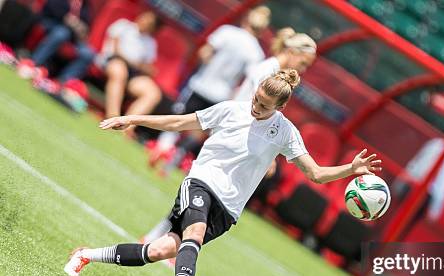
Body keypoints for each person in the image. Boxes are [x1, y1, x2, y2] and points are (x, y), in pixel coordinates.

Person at [64, 69, 382, 276]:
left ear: (281, 109)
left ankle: (86, 255)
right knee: (195, 234)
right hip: (201, 182)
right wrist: (133, 119)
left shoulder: (285, 132)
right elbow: (179, 122)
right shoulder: (230, 110)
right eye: (256, 98)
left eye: (264, 106)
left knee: (159, 250)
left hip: (228, 210)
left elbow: (315, 173)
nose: (256, 106)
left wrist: (351, 169)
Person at [141, 29, 318, 243]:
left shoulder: (272, 69)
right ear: (292, 51)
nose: (303, 69)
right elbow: (256, 111)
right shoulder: (268, 71)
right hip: (234, 139)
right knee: (202, 196)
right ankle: (166, 242)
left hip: (237, 138)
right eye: (304, 63)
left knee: (201, 199)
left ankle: (160, 239)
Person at [150, 5, 271, 169]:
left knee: (179, 117)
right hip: (222, 95)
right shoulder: (256, 53)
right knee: (201, 129)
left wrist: (209, 64)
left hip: (201, 84)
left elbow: (204, 53)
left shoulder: (227, 32)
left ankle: (161, 149)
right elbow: (247, 81)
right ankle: (176, 156)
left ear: (246, 18)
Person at [96, 10, 162, 126]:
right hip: (112, 61)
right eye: (145, 17)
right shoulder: (123, 25)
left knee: (153, 93)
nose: (145, 21)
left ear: (153, 28)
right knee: (120, 72)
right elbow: (117, 51)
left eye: (150, 22)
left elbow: (148, 68)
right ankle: (113, 117)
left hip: (133, 73)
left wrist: (143, 68)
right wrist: (136, 64)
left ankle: (127, 126)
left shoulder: (151, 43)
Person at [391, 137, 444, 231]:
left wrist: (435, 209)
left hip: (424, 194)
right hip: (414, 187)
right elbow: (417, 163)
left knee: (403, 224)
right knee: (395, 218)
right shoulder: (438, 145)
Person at [17, 0, 95, 83]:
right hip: (52, 23)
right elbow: (55, 10)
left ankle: (62, 82)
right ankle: (33, 63)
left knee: (88, 53)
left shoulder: (85, 5)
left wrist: (76, 25)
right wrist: (72, 22)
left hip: (72, 35)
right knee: (62, 33)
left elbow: (85, 28)